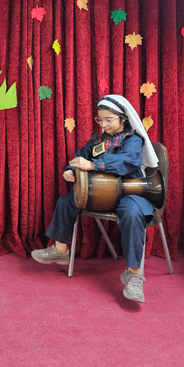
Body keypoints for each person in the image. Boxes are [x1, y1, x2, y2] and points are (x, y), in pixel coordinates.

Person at [31, 95, 159, 303]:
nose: (104, 124)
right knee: (67, 201)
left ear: (123, 118)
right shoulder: (97, 141)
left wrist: (94, 165)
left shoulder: (133, 140)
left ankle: (134, 275)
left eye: (109, 119)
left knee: (132, 213)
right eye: (100, 120)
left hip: (130, 191)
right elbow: (79, 157)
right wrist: (70, 171)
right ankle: (61, 250)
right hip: (102, 192)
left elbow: (127, 162)